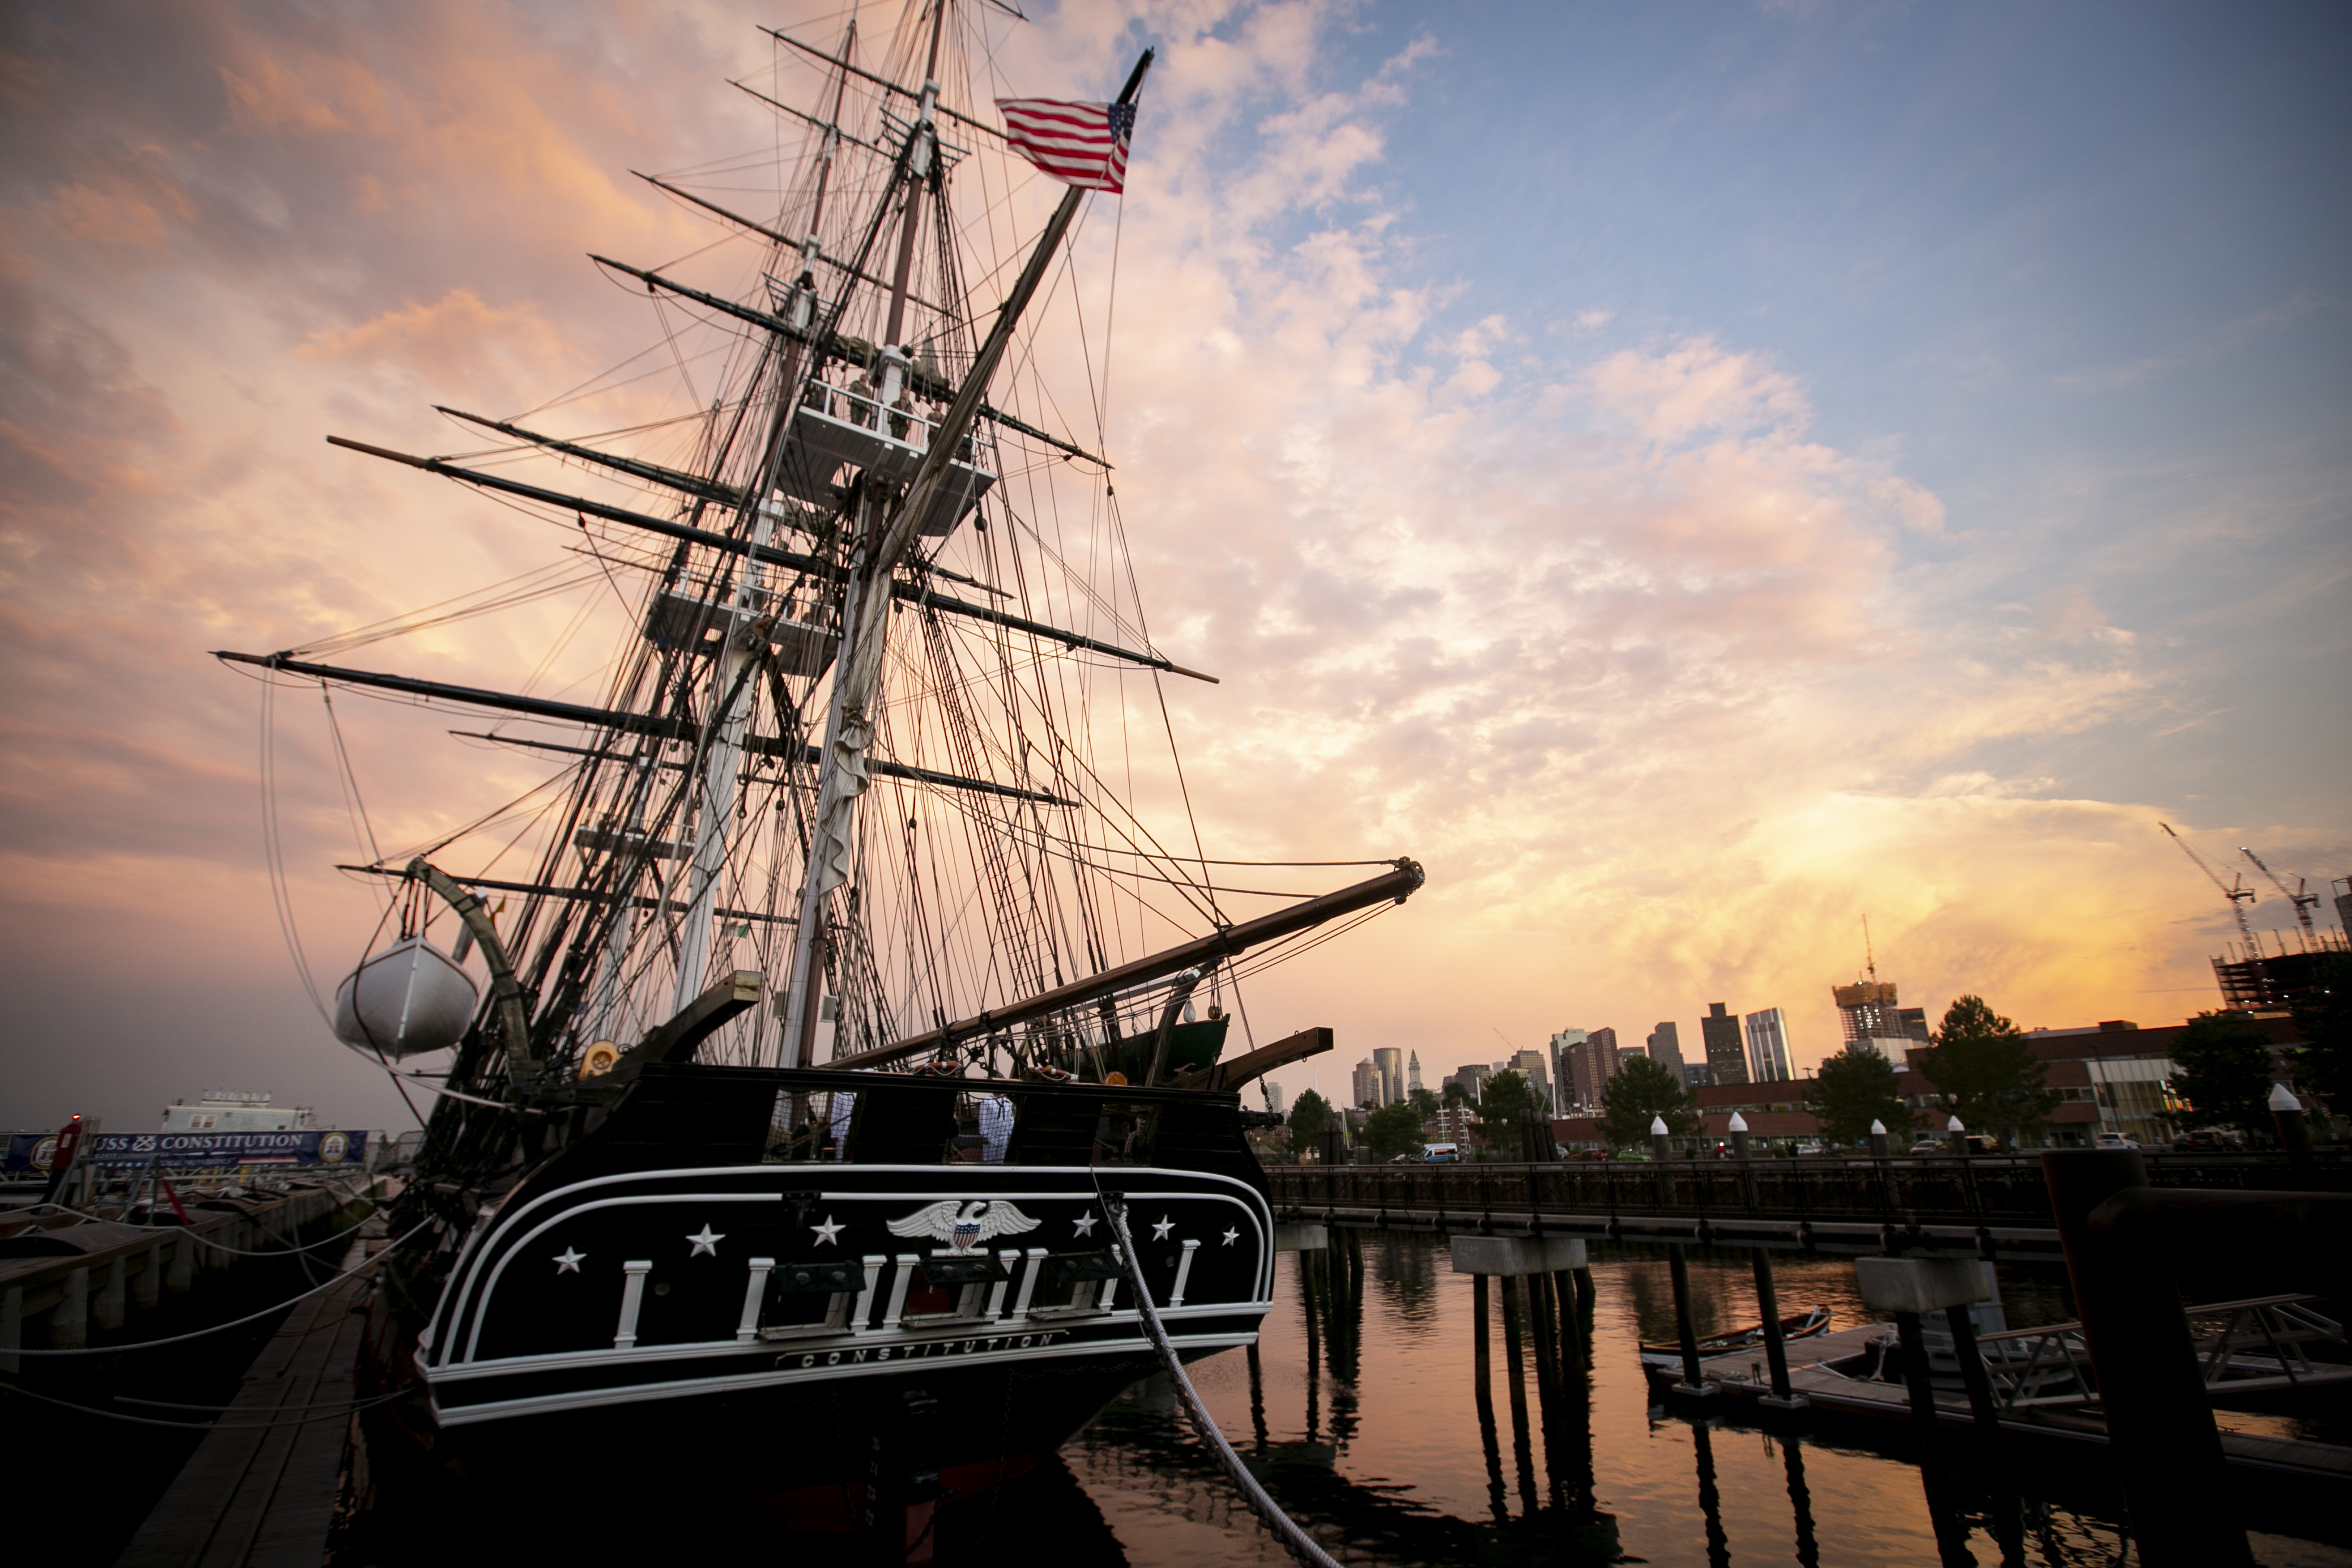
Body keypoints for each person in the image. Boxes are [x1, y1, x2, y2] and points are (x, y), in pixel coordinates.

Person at [977, 1093, 1014, 1165]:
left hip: (1004, 1135)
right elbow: (982, 1118)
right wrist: (984, 1135)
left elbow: (1010, 1118)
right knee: (988, 1161)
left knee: (1000, 1161)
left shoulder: (1008, 1102)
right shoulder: (987, 1101)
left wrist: (1010, 1132)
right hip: (990, 1135)